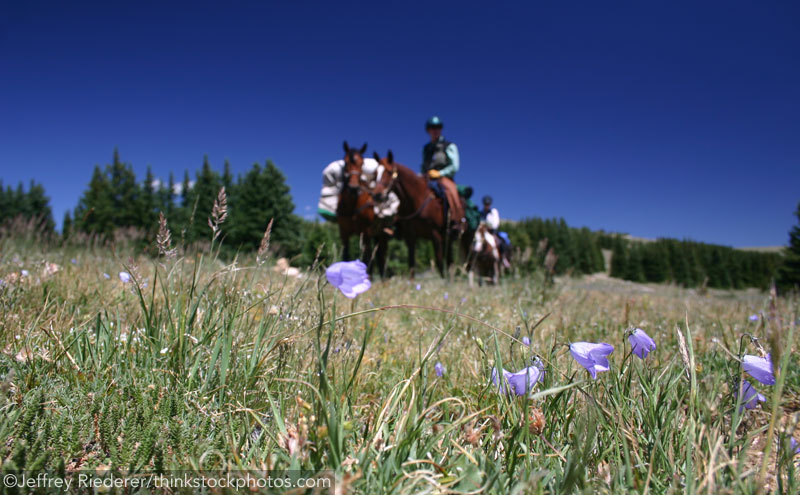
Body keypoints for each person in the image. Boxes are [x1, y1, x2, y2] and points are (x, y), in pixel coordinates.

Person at [421, 116, 464, 228]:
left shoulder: (449, 146)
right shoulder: (426, 148)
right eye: (432, 127)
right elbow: (423, 165)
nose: (435, 130)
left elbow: (454, 166)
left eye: (438, 127)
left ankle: (456, 220)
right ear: (428, 130)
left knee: (451, 191)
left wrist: (440, 173)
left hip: (443, 178)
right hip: (426, 177)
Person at [481, 196, 511, 267]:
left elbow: (496, 223)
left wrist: (489, 226)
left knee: (501, 242)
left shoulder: (494, 212)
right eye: (485, 204)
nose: (487, 205)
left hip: (492, 231)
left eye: (488, 204)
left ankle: (503, 258)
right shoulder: (481, 213)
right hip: (483, 231)